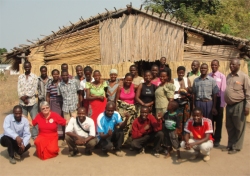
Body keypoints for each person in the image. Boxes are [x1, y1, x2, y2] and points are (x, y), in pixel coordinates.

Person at [223, 58, 250, 154]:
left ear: (239, 65)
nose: (231, 66)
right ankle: (230, 145)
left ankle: (236, 147)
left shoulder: (244, 77)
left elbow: (248, 93)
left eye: (234, 64)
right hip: (229, 105)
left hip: (239, 105)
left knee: (239, 127)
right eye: (230, 64)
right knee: (229, 126)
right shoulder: (229, 76)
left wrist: (247, 106)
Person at [17, 61, 38, 139]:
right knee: (22, 120)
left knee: (35, 119)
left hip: (31, 102)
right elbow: (18, 88)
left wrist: (26, 97)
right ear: (23, 68)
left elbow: (34, 89)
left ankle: (35, 135)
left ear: (31, 67)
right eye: (25, 67)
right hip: (22, 103)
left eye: (28, 67)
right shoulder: (20, 77)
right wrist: (22, 97)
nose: (27, 68)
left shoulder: (34, 77)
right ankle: (23, 135)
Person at [208, 60, 226, 147]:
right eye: (212, 65)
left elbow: (223, 91)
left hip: (219, 100)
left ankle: (217, 139)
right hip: (210, 100)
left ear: (218, 66)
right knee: (210, 120)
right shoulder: (208, 76)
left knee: (218, 121)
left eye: (215, 65)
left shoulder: (222, 76)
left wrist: (222, 105)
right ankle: (211, 138)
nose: (214, 66)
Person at [116, 73, 137, 144]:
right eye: (127, 80)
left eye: (130, 80)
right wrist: (117, 111)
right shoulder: (120, 88)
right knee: (122, 126)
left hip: (131, 110)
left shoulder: (134, 87)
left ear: (132, 80)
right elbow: (116, 100)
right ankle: (121, 142)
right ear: (124, 80)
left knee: (130, 127)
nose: (128, 82)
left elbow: (142, 87)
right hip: (122, 110)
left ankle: (128, 142)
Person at [173, 66, 191, 139]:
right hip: (177, 102)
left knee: (186, 120)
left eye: (182, 73)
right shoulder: (173, 80)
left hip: (186, 102)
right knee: (178, 120)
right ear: (177, 72)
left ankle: (185, 136)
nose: (181, 74)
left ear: (184, 73)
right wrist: (179, 91)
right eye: (179, 73)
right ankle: (179, 137)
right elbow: (171, 92)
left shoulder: (187, 80)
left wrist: (185, 93)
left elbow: (190, 90)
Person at [46, 69, 64, 139]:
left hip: (62, 102)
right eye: (54, 74)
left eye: (57, 74)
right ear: (52, 75)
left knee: (62, 118)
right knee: (55, 118)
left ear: (59, 75)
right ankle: (57, 134)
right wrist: (47, 105)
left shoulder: (62, 83)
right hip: (53, 102)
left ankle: (63, 134)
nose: (55, 75)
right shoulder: (50, 84)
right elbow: (47, 96)